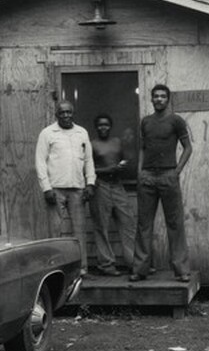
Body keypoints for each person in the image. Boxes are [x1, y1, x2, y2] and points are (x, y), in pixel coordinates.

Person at [130, 84, 192, 283]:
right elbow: (142, 148)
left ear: (168, 99)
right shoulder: (146, 122)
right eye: (155, 96)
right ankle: (140, 270)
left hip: (168, 176)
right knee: (143, 224)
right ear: (151, 99)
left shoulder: (176, 121)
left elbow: (188, 148)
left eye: (162, 96)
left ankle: (182, 270)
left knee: (174, 224)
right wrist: (140, 172)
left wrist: (177, 171)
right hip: (147, 176)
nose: (159, 99)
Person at [35, 100, 96, 274]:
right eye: (62, 113)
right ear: (56, 115)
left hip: (77, 189)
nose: (66, 115)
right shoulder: (48, 133)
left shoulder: (81, 132)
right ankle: (55, 268)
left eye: (69, 112)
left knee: (79, 232)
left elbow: (88, 160)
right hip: (55, 190)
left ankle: (81, 267)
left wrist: (90, 183)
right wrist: (46, 188)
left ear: (73, 113)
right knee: (55, 232)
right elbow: (40, 162)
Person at [89, 113, 136, 276]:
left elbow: (127, 159)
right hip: (100, 186)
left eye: (106, 125)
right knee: (101, 226)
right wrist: (106, 170)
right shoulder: (91, 144)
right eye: (100, 125)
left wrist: (123, 165)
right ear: (96, 127)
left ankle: (133, 263)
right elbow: (86, 169)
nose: (103, 127)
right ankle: (107, 265)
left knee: (128, 223)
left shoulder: (117, 142)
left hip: (117, 186)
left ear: (110, 126)